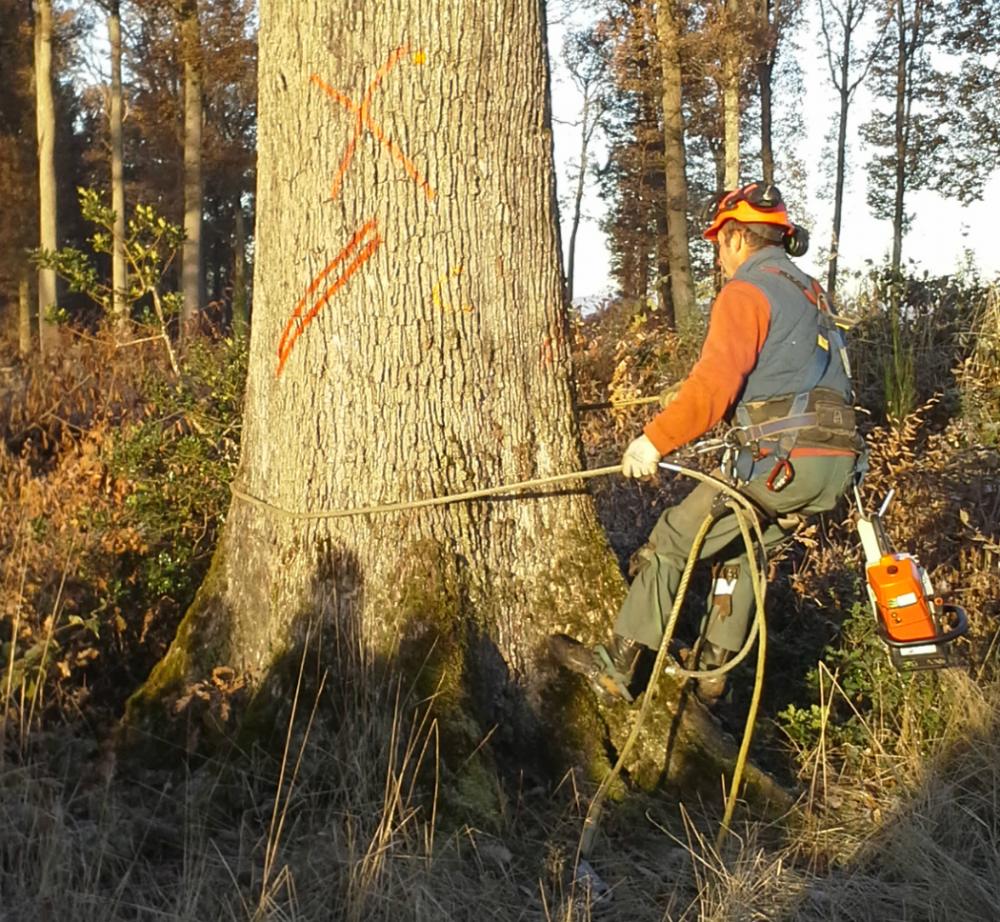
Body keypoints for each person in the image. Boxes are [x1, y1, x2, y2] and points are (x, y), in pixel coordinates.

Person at [551, 182, 864, 703]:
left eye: (719, 242)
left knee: (673, 539)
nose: (718, 255)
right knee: (739, 551)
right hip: (833, 467)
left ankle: (617, 668)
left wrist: (653, 441)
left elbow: (715, 388)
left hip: (779, 463)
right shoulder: (811, 293)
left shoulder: (745, 292)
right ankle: (713, 676)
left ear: (739, 237)